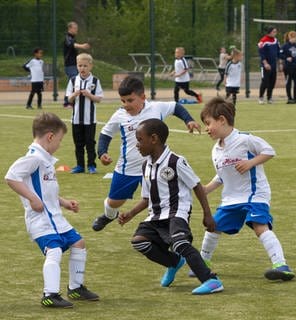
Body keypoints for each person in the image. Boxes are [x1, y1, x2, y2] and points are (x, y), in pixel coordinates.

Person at [189, 96, 295, 282]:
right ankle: (202, 263)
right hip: (231, 199)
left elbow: (269, 151)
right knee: (213, 227)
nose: (206, 128)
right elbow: (222, 175)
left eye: (208, 123)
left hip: (254, 195)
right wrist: (206, 189)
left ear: (222, 120)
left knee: (259, 226)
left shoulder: (245, 139)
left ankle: (281, 265)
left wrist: (251, 162)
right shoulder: (216, 150)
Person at [118, 118, 224, 295]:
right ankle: (173, 262)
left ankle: (211, 280)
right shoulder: (146, 166)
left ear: (154, 139)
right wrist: (130, 213)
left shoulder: (176, 161)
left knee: (180, 243)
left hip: (177, 213)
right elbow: (146, 198)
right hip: (156, 216)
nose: (137, 145)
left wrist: (207, 214)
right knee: (139, 242)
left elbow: (196, 186)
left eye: (140, 140)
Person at [4, 112, 99, 308]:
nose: (60, 144)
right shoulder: (34, 158)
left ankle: (76, 288)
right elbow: (11, 176)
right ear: (50, 136)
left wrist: (64, 202)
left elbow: (46, 191)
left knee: (79, 243)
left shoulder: (45, 160)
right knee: (54, 251)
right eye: (60, 139)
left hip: (56, 218)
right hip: (41, 220)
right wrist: (32, 199)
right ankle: (50, 294)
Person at [92, 76, 201, 232]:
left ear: (143, 97)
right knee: (114, 202)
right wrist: (102, 153)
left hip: (153, 167)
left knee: (156, 201)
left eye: (130, 100)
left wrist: (188, 120)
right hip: (127, 168)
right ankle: (109, 216)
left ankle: (160, 230)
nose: (126, 105)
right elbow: (106, 134)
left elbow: (176, 106)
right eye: (123, 101)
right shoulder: (119, 115)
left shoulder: (156, 108)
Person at [65, 53, 103, 174]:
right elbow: (68, 99)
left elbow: (99, 99)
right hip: (76, 119)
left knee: (90, 143)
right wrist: (75, 94)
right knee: (78, 143)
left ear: (90, 66)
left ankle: (91, 165)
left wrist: (89, 95)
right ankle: (80, 165)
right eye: (80, 65)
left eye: (85, 66)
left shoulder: (95, 81)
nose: (82, 68)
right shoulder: (73, 80)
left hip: (90, 120)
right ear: (77, 66)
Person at [63, 21, 91, 107]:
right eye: (75, 28)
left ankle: (70, 102)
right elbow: (71, 44)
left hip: (75, 64)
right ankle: (67, 102)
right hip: (70, 64)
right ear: (70, 28)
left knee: (74, 81)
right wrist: (82, 46)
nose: (76, 30)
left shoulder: (73, 38)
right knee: (74, 81)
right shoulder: (67, 37)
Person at [258, 26, 280, 104]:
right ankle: (261, 97)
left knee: (272, 82)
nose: (275, 33)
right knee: (265, 82)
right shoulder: (263, 41)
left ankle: (269, 98)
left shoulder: (276, 40)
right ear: (270, 32)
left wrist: (281, 62)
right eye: (274, 31)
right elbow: (261, 53)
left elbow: (278, 52)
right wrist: (265, 63)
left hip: (274, 65)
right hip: (265, 66)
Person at [280, 31, 296, 104]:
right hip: (288, 67)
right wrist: (286, 58)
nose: (295, 39)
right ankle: (289, 98)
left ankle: (295, 98)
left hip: (295, 67)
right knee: (288, 83)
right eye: (294, 38)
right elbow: (280, 55)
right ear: (290, 38)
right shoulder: (285, 46)